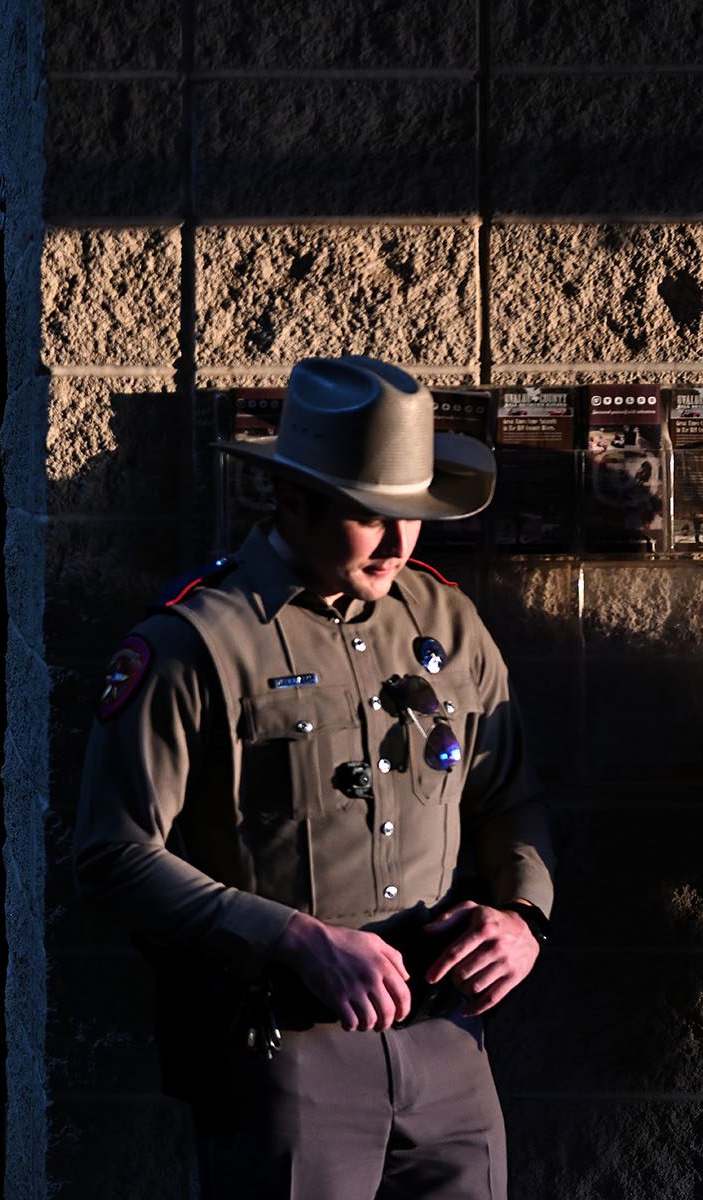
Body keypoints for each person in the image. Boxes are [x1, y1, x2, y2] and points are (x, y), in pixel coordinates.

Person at [73, 356, 555, 1199]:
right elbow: (112, 852)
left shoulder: (447, 618)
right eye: (373, 516)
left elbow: (507, 794)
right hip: (287, 1050)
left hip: (448, 1043)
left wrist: (522, 915)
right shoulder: (198, 642)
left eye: (413, 515)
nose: (401, 544)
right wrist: (293, 937)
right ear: (289, 500)